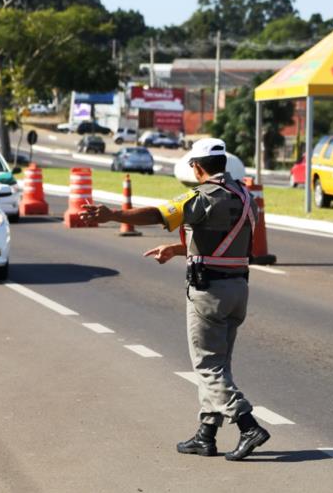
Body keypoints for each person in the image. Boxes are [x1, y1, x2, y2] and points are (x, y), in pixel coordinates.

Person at [80, 138, 270, 461]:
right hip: (238, 290)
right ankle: (206, 434)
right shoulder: (246, 199)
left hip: (209, 293)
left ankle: (248, 424)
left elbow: (158, 213)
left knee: (208, 366)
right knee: (218, 365)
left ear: (197, 167)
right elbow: (227, 242)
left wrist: (112, 214)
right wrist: (178, 249)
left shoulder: (203, 197)